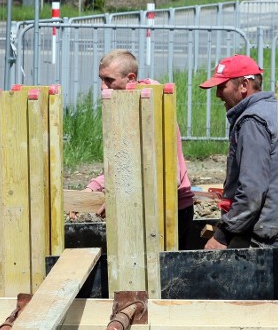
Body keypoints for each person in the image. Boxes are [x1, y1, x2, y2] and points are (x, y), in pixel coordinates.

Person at [83, 49, 203, 250]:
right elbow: (122, 161)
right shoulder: (124, 107)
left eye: (109, 80)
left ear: (131, 79)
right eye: (101, 79)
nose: (103, 87)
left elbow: (166, 176)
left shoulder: (154, 109)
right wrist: (92, 187)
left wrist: (120, 196)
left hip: (169, 209)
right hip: (141, 206)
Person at [199, 54, 278, 249]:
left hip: (262, 236)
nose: (218, 94)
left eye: (222, 87)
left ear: (244, 85)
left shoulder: (252, 122)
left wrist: (222, 235)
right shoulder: (275, 109)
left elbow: (251, 191)